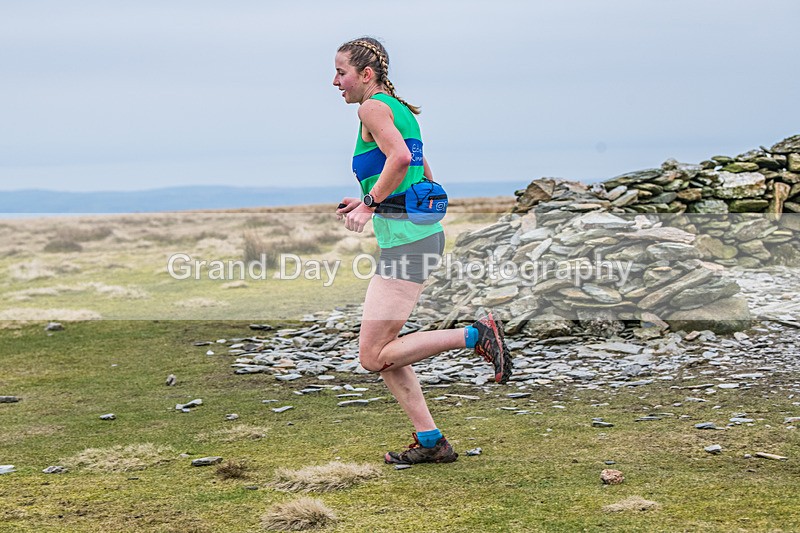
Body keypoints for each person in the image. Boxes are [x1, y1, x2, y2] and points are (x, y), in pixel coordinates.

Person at [332, 37, 513, 465]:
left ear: (366, 75)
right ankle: (431, 441)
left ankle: (476, 335)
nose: (334, 81)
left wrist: (372, 204)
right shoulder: (399, 111)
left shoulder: (372, 108)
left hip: (407, 242)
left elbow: (397, 160)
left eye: (341, 72)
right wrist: (366, 200)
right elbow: (421, 169)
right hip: (413, 236)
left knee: (372, 355)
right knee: (386, 353)